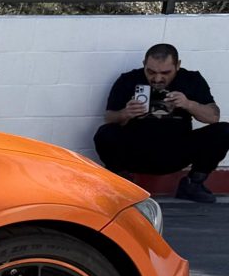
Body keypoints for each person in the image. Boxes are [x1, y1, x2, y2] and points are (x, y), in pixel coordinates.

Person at [96, 43, 228, 204]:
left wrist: (188, 104)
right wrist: (125, 113)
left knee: (224, 131)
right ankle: (124, 184)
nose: (157, 78)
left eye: (165, 73)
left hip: (177, 150)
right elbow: (109, 118)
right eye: (151, 72)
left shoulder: (191, 79)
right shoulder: (128, 80)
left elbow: (213, 117)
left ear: (178, 65)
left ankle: (193, 184)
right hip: (137, 150)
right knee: (105, 133)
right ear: (144, 64)